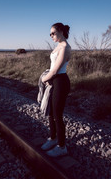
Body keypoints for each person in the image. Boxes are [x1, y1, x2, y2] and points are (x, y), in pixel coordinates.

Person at [41, 22, 71, 157]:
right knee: (51, 113)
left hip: (60, 81)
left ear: (61, 32)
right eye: (50, 34)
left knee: (57, 115)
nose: (51, 36)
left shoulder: (65, 47)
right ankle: (52, 138)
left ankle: (61, 146)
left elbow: (55, 70)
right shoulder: (58, 46)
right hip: (54, 81)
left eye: (53, 33)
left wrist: (44, 79)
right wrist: (49, 80)